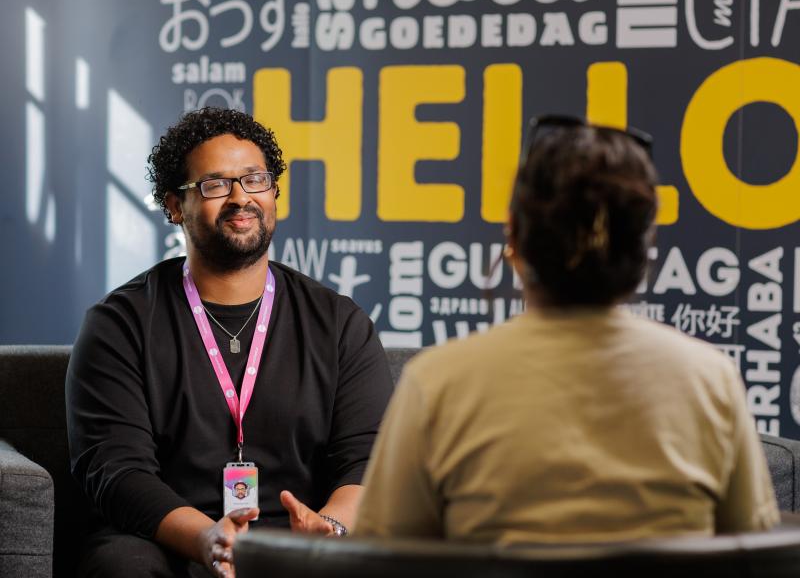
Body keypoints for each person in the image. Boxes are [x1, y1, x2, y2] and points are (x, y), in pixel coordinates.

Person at [354, 115, 779, 544]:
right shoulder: (711, 380)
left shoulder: (438, 383)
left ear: (514, 241)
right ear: (645, 251)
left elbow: (382, 556)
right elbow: (754, 552)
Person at [66, 107, 394, 577]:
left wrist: (330, 530)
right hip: (171, 542)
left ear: (275, 193)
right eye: (215, 184)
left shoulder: (339, 323)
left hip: (301, 545)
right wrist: (208, 539)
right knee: (122, 564)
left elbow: (367, 461)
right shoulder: (119, 325)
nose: (241, 198)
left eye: (255, 179)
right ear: (175, 205)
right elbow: (117, 472)